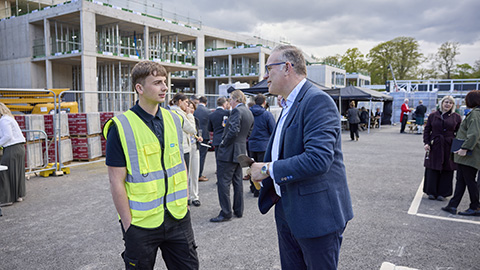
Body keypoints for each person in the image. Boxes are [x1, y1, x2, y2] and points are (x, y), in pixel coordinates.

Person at [250, 45, 353, 270]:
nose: (265, 76)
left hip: (317, 215)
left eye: (269, 69)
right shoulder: (288, 103)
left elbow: (318, 159)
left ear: (287, 68)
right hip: (289, 209)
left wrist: (267, 169)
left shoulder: (317, 101)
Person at [103, 61, 199, 269]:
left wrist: (185, 201)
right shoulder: (120, 126)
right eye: (157, 82)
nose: (165, 87)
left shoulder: (174, 120)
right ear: (139, 88)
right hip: (141, 225)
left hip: (178, 217)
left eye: (165, 82)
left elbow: (180, 165)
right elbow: (116, 180)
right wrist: (128, 225)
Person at [210, 90, 254, 222]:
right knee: (237, 181)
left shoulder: (237, 111)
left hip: (229, 152)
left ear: (236, 99)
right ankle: (238, 210)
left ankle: (226, 212)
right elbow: (249, 131)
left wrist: (224, 143)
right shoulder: (248, 112)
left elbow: (233, 130)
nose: (229, 102)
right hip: (240, 150)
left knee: (223, 183)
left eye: (230, 99)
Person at [441, 90, 480, 216]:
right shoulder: (475, 113)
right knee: (461, 180)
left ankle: (475, 206)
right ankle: (453, 205)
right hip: (468, 154)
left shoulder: (475, 114)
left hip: (469, 154)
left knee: (469, 180)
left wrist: (465, 148)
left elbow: (474, 134)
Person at [423, 96, 462, 201]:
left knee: (447, 167)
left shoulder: (456, 117)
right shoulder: (433, 116)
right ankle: (431, 191)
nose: (448, 104)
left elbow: (460, 132)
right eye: (446, 102)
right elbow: (427, 130)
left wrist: (458, 145)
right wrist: (426, 143)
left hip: (449, 144)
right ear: (442, 103)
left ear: (453, 105)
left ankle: (443, 193)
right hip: (435, 143)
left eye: (450, 103)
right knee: (432, 166)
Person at [248, 94, 275, 197]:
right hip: (263, 145)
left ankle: (253, 187)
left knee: (252, 166)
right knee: (263, 168)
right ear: (264, 102)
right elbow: (273, 130)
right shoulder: (267, 115)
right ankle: (261, 189)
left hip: (251, 144)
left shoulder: (249, 113)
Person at [0, 102, 26, 206]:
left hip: (12, 148)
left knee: (4, 172)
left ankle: (6, 199)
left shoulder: (3, 121)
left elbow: (8, 136)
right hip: (19, 147)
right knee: (17, 172)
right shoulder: (10, 118)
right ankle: (18, 195)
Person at [169, 93, 197, 178]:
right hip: (183, 148)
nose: (187, 105)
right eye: (186, 102)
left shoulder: (170, 111)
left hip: (174, 147)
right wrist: (190, 115)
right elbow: (192, 129)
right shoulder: (179, 114)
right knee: (184, 175)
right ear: (180, 101)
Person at [186, 100, 202, 207]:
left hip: (195, 147)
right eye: (189, 107)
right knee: (186, 174)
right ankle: (186, 196)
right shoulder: (183, 119)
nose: (191, 110)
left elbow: (198, 132)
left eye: (193, 108)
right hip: (185, 148)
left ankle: (195, 196)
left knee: (195, 173)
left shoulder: (196, 120)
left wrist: (199, 138)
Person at [193, 96, 211, 182]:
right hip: (205, 135)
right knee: (202, 156)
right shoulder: (208, 111)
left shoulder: (194, 110)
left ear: (199, 101)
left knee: (195, 156)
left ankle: (195, 173)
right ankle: (199, 174)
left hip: (195, 134)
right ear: (206, 102)